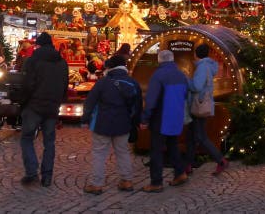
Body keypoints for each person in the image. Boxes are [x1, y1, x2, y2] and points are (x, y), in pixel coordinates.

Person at [81, 53, 142, 195]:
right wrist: (136, 123)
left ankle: (97, 184)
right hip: (123, 124)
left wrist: (85, 119)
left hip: (103, 123)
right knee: (123, 152)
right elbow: (137, 106)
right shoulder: (133, 83)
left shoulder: (103, 82)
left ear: (111, 67)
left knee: (99, 153)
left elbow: (90, 102)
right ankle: (127, 181)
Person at [19, 32, 69, 187]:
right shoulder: (62, 62)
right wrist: (59, 102)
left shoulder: (32, 61)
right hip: (52, 107)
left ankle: (32, 171)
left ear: (38, 45)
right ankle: (47, 176)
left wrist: (23, 103)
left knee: (27, 138)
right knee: (49, 142)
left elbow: (27, 85)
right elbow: (64, 85)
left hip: (34, 106)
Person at [140, 49, 189, 193]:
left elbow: (151, 100)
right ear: (172, 60)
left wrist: (145, 118)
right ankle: (180, 173)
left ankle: (156, 182)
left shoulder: (158, 75)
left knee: (156, 150)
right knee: (172, 145)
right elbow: (185, 95)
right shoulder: (181, 75)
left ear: (159, 60)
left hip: (161, 117)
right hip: (176, 116)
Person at [185, 44, 228, 176]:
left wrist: (187, 79)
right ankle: (188, 165)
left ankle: (221, 160)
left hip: (199, 105)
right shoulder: (208, 66)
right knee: (191, 136)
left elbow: (197, 86)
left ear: (196, 54)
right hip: (200, 104)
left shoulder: (202, 67)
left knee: (200, 136)